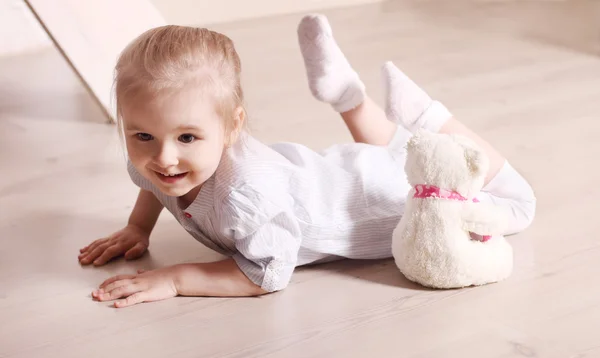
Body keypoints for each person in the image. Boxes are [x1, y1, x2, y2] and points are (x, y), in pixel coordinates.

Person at [78, 15, 536, 307]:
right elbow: (151, 185)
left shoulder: (246, 197)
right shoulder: (156, 160)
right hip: (337, 172)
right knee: (383, 156)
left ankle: (429, 117)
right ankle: (350, 100)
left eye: (187, 137)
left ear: (232, 126)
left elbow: (269, 272)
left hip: (383, 197)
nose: (163, 157)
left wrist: (178, 279)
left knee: (516, 204)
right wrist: (138, 227)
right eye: (143, 135)